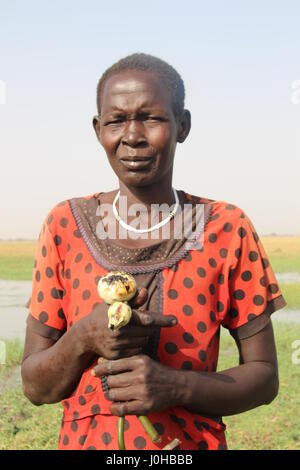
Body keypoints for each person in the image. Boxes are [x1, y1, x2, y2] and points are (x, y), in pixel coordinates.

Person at [21, 53, 287, 451]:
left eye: (151, 117)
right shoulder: (64, 225)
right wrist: (82, 339)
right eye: (116, 120)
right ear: (98, 130)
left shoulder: (226, 228)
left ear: (183, 125)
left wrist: (177, 385)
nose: (132, 135)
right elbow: (35, 386)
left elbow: (264, 378)